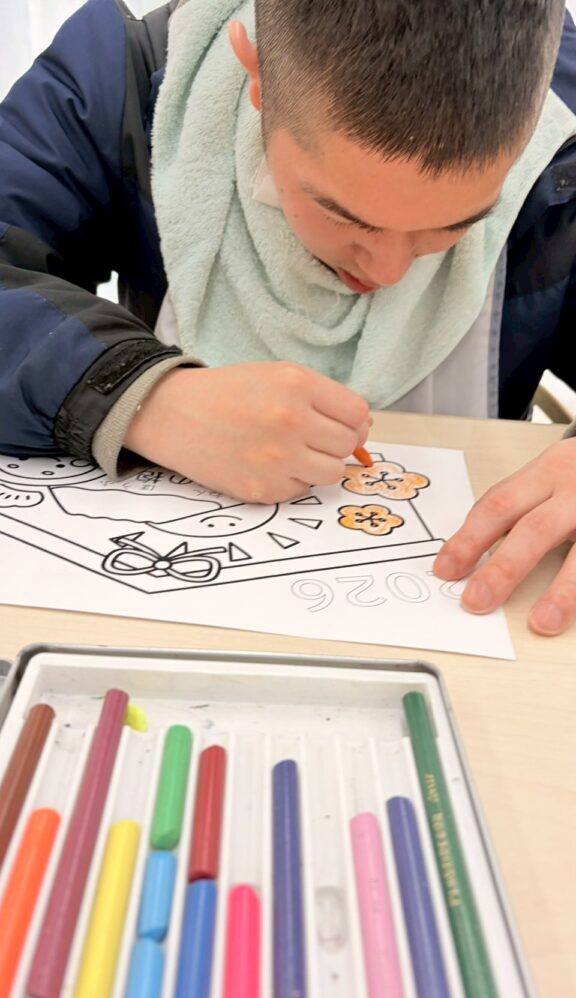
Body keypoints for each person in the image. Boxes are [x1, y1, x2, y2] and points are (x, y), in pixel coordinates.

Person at [1, 0, 576, 635]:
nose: (388, 272)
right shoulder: (124, 73)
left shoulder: (565, 138)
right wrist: (143, 397)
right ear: (256, 75)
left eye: (455, 224)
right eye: (343, 215)